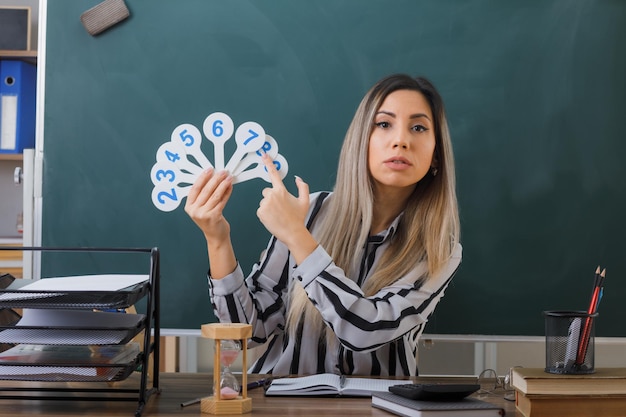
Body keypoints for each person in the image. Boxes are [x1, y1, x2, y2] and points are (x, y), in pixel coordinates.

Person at [185, 73, 462, 377]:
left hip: (378, 409)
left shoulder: (440, 250)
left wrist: (297, 236)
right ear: (361, 142)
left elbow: (365, 330)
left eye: (419, 127)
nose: (401, 140)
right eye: (384, 124)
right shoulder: (310, 211)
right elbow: (248, 331)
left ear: (436, 156)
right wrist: (217, 239)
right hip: (283, 404)